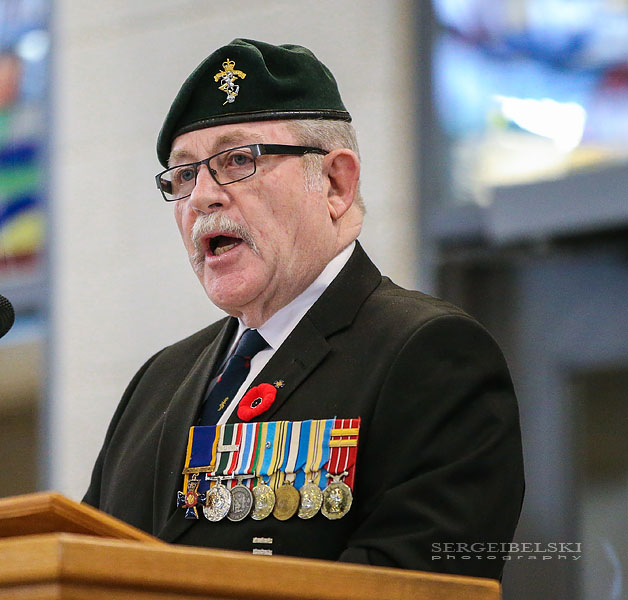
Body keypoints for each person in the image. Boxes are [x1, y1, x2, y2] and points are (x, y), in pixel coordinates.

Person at [83, 38, 523, 580]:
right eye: (184, 175)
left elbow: (412, 585)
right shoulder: (157, 381)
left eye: (237, 160)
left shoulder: (429, 354)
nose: (202, 197)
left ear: (336, 183)